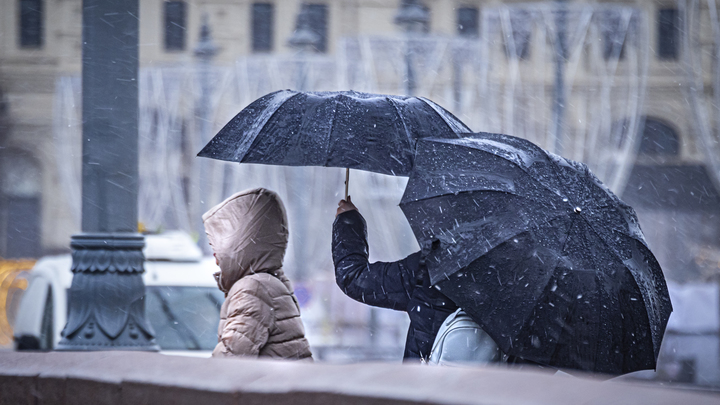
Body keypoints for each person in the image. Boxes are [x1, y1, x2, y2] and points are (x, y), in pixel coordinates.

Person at [332, 196, 458, 362]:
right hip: (491, 385)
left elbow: (353, 278)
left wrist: (348, 221)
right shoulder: (500, 275)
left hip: (429, 384)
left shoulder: (439, 265)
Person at [203, 187, 313, 360]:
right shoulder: (270, 281)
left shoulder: (253, 289)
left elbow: (229, 359)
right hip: (285, 385)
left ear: (237, 245)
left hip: (272, 385)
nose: (215, 257)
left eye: (217, 247)